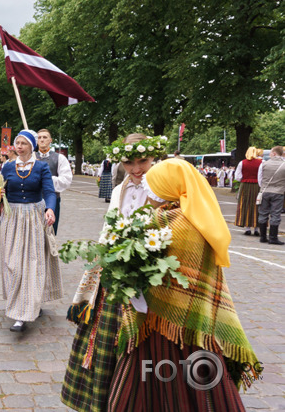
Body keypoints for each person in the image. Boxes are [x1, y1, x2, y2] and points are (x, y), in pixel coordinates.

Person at [107, 158, 260, 411]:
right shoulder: (197, 217)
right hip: (194, 320)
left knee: (163, 373)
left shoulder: (172, 223)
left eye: (152, 186)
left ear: (169, 188)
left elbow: (162, 272)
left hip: (168, 322)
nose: (148, 192)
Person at [61, 133, 161, 412]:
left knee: (143, 341)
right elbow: (109, 227)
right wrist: (102, 256)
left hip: (151, 273)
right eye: (129, 162)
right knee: (106, 339)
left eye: (142, 161)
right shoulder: (119, 190)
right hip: (115, 271)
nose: (136, 168)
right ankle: (106, 400)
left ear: (154, 157)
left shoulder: (163, 188)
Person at [1, 130, 60, 333]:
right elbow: (3, 194)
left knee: (32, 262)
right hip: (13, 219)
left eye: (24, 143)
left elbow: (49, 192)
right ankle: (19, 301)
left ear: (32, 146)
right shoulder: (7, 167)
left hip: (34, 216)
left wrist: (50, 208)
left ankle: (22, 313)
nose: (19, 146)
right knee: (14, 263)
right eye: (17, 142)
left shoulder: (41, 167)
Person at [35, 129, 73, 234]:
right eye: (39, 137)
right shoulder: (31, 158)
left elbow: (66, 180)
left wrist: (47, 178)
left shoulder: (59, 158)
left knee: (50, 233)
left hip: (52, 200)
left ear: (50, 140)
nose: (42, 140)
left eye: (45, 137)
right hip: (33, 201)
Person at [257, 146, 285, 245]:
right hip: (278, 192)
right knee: (275, 214)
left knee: (263, 213)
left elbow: (259, 179)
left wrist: (263, 188)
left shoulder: (264, 164)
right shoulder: (284, 165)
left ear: (274, 153)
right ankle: (273, 238)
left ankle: (263, 237)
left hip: (265, 191)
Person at [234, 146, 262, 236]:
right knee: (257, 206)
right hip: (257, 186)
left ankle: (247, 228)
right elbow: (262, 176)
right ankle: (257, 229)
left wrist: (245, 178)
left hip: (245, 186)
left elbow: (237, 177)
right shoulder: (261, 163)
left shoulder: (242, 163)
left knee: (245, 205)